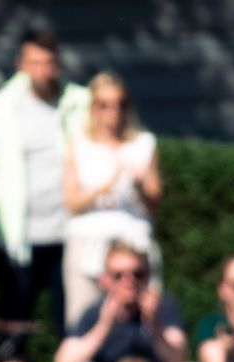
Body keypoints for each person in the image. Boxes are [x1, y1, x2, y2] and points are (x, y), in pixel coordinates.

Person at [0, 26, 89, 338]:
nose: (42, 71)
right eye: (34, 63)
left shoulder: (80, 104)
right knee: (14, 327)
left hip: (69, 233)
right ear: (21, 64)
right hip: (14, 238)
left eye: (48, 63)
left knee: (70, 325)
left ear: (58, 65)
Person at [61, 71, 160, 323]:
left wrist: (137, 186)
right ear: (93, 108)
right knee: (83, 318)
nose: (113, 111)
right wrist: (102, 188)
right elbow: (71, 203)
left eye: (120, 104)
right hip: (87, 243)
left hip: (133, 243)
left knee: (143, 317)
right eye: (104, 105)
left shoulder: (144, 144)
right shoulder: (79, 145)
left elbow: (155, 203)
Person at [53, 242, 207, 362]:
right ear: (104, 280)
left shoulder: (164, 307)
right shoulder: (93, 313)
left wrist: (155, 325)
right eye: (118, 275)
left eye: (137, 274)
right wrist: (104, 325)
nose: (129, 281)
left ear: (148, 275)